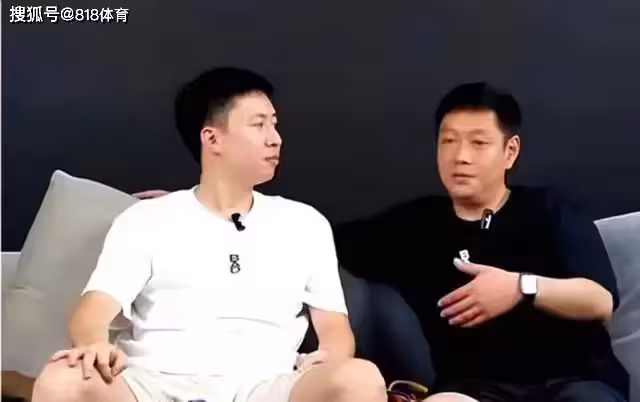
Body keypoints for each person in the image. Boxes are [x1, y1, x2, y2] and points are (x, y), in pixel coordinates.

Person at [32, 67, 387, 402]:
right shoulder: (146, 219)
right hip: (152, 385)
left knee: (360, 377)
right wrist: (95, 344)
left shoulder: (305, 223)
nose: (275, 139)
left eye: (274, 125)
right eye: (259, 125)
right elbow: (91, 315)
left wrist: (330, 357)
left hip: (265, 387)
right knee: (61, 379)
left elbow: (335, 330)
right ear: (212, 138)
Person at [333, 82, 629, 402]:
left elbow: (599, 302)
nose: (461, 157)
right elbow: (320, 243)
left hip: (572, 382)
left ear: (510, 151)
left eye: (478, 143)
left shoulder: (549, 210)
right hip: (473, 389)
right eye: (449, 141)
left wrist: (521, 287)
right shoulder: (414, 224)